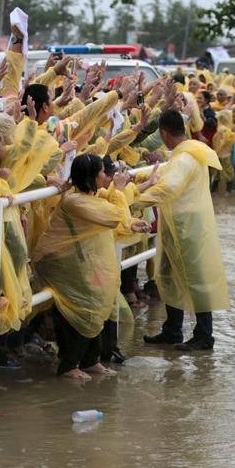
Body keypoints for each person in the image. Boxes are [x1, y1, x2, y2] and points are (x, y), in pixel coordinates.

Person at [33, 154, 149, 379]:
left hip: (78, 262)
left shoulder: (90, 198)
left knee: (98, 303)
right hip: (59, 264)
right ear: (91, 177)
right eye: (103, 173)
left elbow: (114, 218)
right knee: (84, 307)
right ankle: (68, 366)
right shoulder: (75, 201)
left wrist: (133, 223)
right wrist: (120, 189)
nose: (107, 176)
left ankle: (90, 360)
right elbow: (113, 216)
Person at [133, 110, 229, 351]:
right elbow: (167, 171)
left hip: (186, 226)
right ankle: (172, 330)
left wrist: (132, 201)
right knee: (168, 275)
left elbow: (168, 186)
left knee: (195, 279)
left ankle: (204, 336)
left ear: (164, 133)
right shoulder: (187, 152)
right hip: (179, 224)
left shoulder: (184, 159)